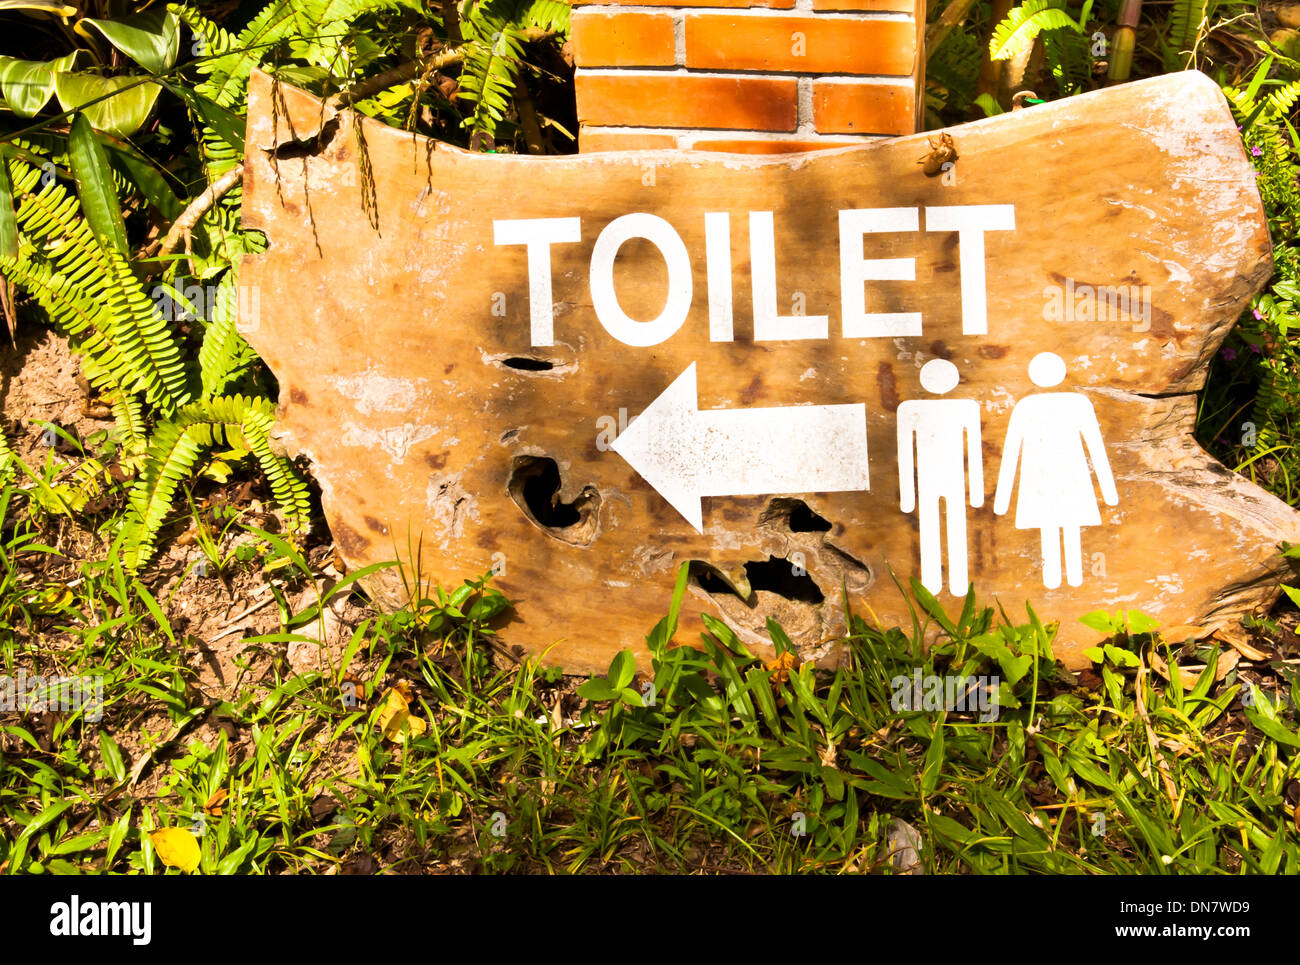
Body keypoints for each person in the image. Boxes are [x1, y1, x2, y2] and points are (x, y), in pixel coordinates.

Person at [993, 352, 1118, 588]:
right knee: (1061, 523)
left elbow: (1095, 444)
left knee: (1055, 524)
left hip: (1055, 472)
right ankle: (1060, 585)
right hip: (1055, 473)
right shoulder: (1072, 403)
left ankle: (1065, 584)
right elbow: (1095, 446)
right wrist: (1108, 490)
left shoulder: (1029, 405)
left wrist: (1002, 499)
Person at [897, 358, 983, 595]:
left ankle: (958, 583)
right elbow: (904, 450)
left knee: (954, 525)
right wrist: (907, 494)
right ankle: (932, 583)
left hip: (950, 477)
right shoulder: (910, 409)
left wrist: (976, 489)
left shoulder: (966, 408)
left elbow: (974, 448)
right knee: (932, 527)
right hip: (929, 478)